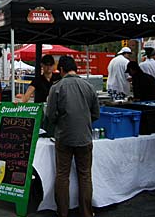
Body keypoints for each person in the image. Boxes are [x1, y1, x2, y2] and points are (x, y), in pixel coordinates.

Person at [46, 55, 100, 217]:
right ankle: (86, 213)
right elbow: (96, 114)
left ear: (61, 70)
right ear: (75, 69)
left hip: (64, 137)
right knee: (85, 175)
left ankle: (62, 213)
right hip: (84, 137)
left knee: (62, 175)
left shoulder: (56, 87)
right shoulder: (89, 86)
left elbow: (50, 115)